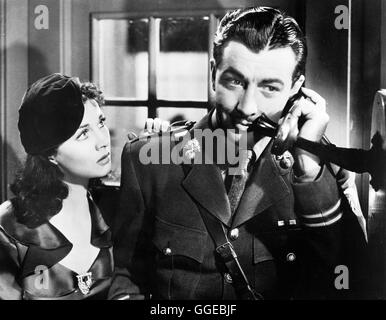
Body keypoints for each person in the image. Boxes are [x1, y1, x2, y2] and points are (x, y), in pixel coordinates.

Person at [109, 7, 368, 300]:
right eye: (234, 81)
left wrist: (309, 172)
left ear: (296, 90)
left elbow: (350, 281)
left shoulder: (318, 168)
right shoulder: (149, 160)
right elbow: (127, 277)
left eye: (269, 87)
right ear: (213, 74)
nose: (247, 107)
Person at [0, 73, 167, 300]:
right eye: (84, 134)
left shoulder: (119, 208)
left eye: (101, 123)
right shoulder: (9, 227)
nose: (102, 140)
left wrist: (159, 159)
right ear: (51, 154)